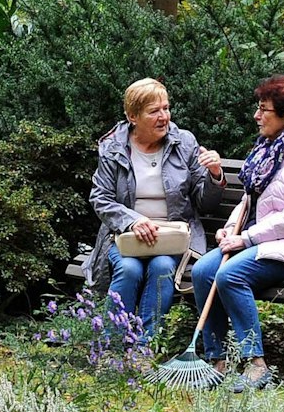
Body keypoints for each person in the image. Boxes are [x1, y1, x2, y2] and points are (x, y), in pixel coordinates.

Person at [190, 75, 284, 391]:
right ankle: (219, 361)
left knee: (230, 275)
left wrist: (246, 238)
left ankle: (256, 365)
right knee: (204, 270)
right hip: (265, 241)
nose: (257, 117)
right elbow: (250, 199)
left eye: (264, 110)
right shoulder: (270, 146)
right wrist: (231, 228)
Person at [88, 78, 224, 339]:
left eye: (166, 108)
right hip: (126, 237)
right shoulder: (113, 148)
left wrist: (215, 175)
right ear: (133, 117)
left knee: (162, 266)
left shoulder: (184, 143)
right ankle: (113, 347)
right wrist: (133, 220)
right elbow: (101, 197)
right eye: (154, 111)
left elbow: (204, 202)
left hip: (173, 238)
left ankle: (144, 347)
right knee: (129, 269)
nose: (164, 117)